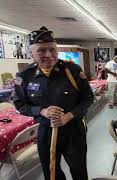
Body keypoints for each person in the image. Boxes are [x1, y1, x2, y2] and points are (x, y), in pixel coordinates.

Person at [13, 26, 94, 180]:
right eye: (42, 51)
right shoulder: (24, 76)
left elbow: (88, 98)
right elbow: (19, 104)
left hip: (73, 131)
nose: (49, 55)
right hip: (46, 131)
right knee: (51, 173)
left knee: (79, 171)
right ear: (32, 53)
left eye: (52, 50)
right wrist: (41, 111)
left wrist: (68, 116)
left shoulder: (72, 70)